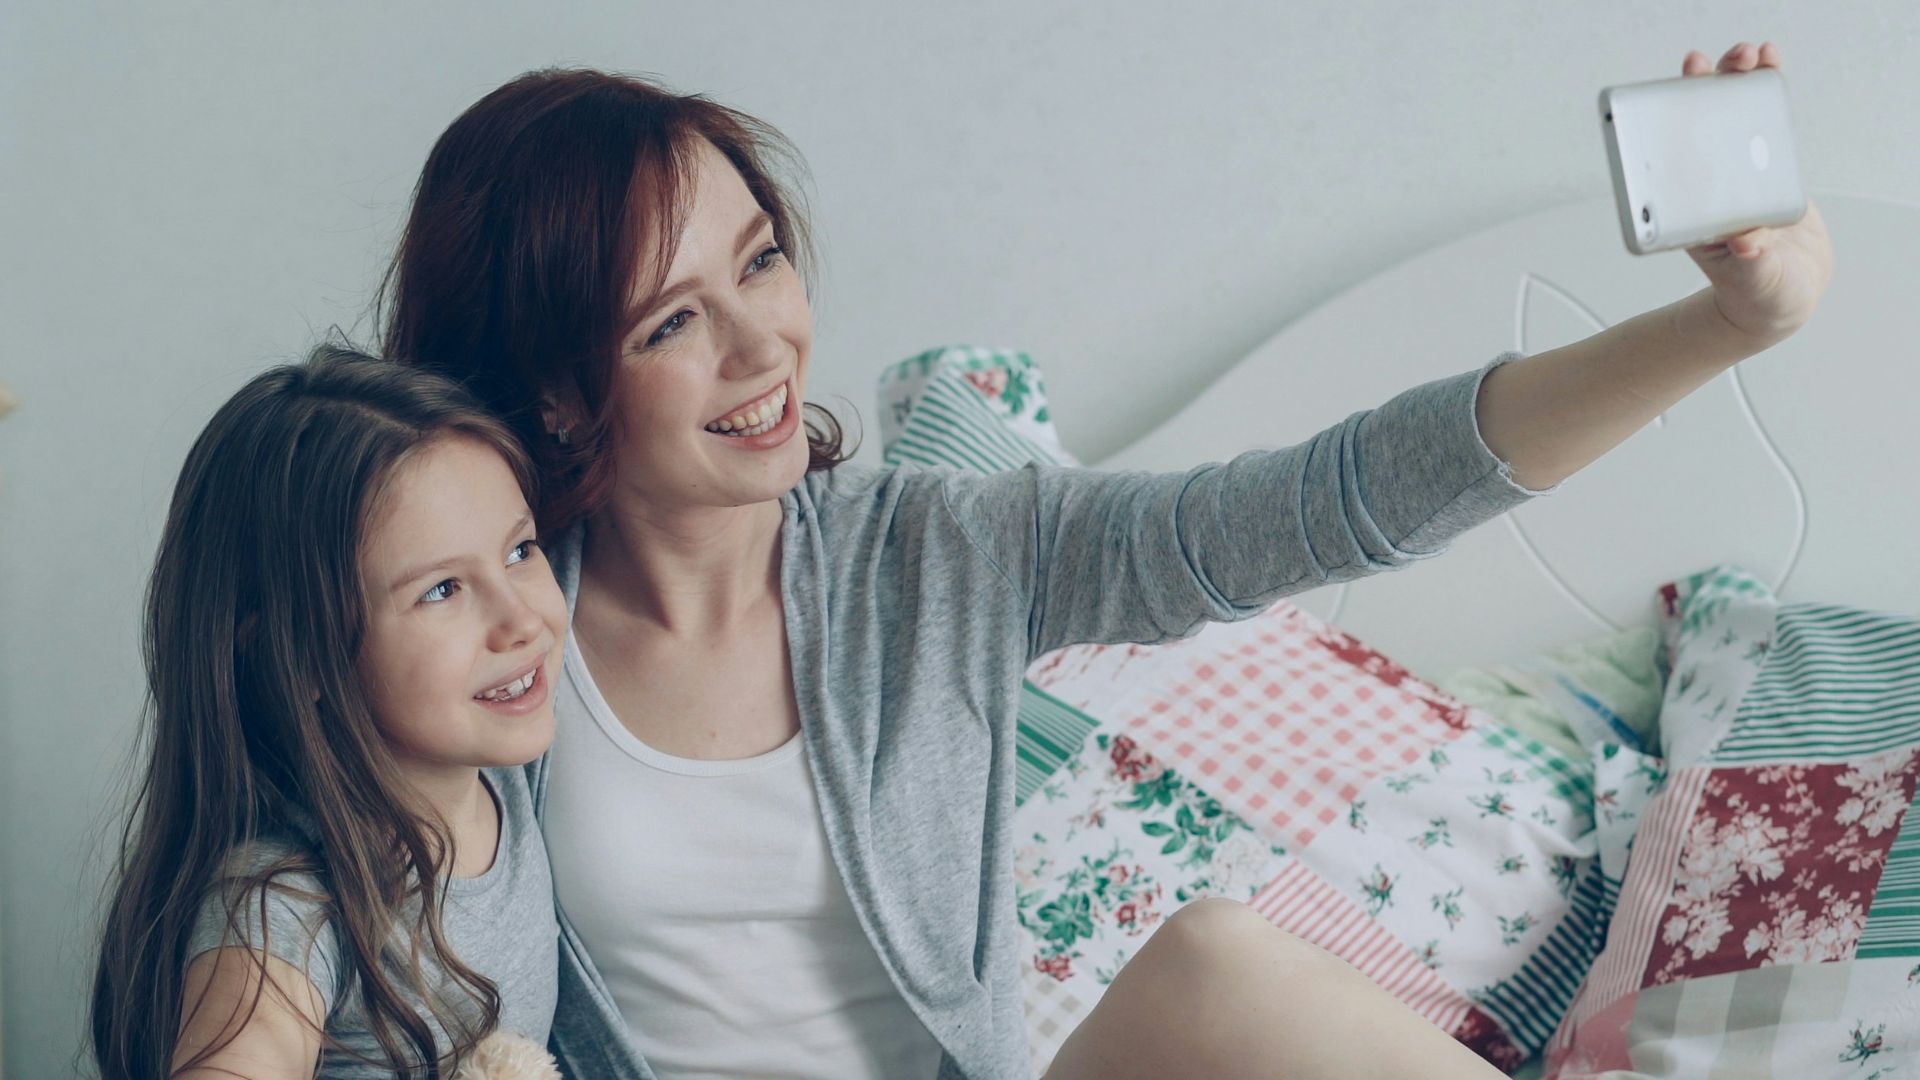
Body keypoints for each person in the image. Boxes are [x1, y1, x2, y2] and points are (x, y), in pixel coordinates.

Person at [382, 41, 1830, 1079]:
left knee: (1217, 964)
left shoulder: (933, 556)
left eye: (761, 261)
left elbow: (1336, 501)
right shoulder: (486, 643)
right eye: (671, 322)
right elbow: (327, 918)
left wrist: (1727, 326)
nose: (762, 345)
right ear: (558, 389)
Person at [90, 349, 568, 1078]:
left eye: (520, 550)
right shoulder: (283, 901)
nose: (521, 620)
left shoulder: (504, 781)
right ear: (301, 655)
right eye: (442, 589)